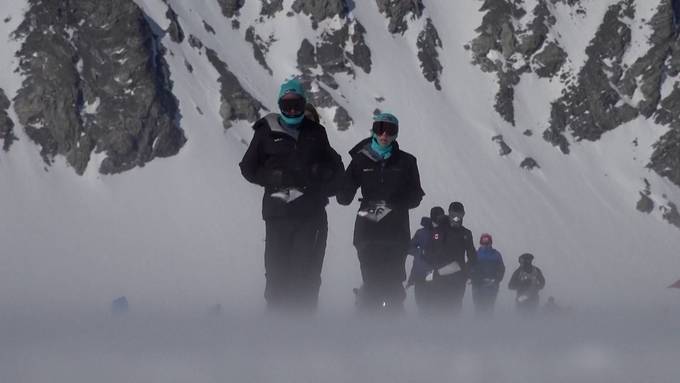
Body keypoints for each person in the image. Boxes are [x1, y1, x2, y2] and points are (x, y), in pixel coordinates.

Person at [239, 78, 344, 311]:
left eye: (297, 104)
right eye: (287, 105)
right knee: (276, 275)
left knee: (303, 275)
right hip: (277, 215)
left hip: (309, 216)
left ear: (304, 102)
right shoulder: (265, 131)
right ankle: (275, 332)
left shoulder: (317, 132)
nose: (293, 110)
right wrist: (272, 177)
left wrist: (321, 179)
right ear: (279, 105)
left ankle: (303, 334)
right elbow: (247, 167)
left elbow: (337, 173)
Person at [337, 112, 424, 313]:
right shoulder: (360, 159)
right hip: (368, 230)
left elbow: (416, 196)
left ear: (396, 134)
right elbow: (344, 196)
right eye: (380, 129)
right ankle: (368, 322)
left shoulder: (407, 161)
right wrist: (342, 187)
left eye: (390, 130)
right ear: (373, 131)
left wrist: (396, 202)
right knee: (371, 278)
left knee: (394, 282)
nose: (384, 134)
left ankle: (393, 327)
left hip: (396, 231)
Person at [410, 201, 476, 314]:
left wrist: (466, 272)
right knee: (438, 310)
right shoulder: (439, 231)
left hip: (457, 279)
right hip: (439, 277)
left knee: (454, 310)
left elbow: (472, 256)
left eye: (458, 216)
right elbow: (430, 251)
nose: (455, 218)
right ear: (449, 214)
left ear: (463, 215)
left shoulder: (466, 234)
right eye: (453, 215)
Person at [470, 233, 505, 316]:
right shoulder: (475, 254)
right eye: (483, 243)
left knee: (489, 306)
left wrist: (497, 279)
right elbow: (470, 267)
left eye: (487, 243)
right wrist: (473, 278)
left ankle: (488, 325)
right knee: (478, 306)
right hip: (478, 284)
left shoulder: (496, 254)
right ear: (480, 243)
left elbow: (501, 268)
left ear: (491, 243)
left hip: (491, 284)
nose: (485, 245)